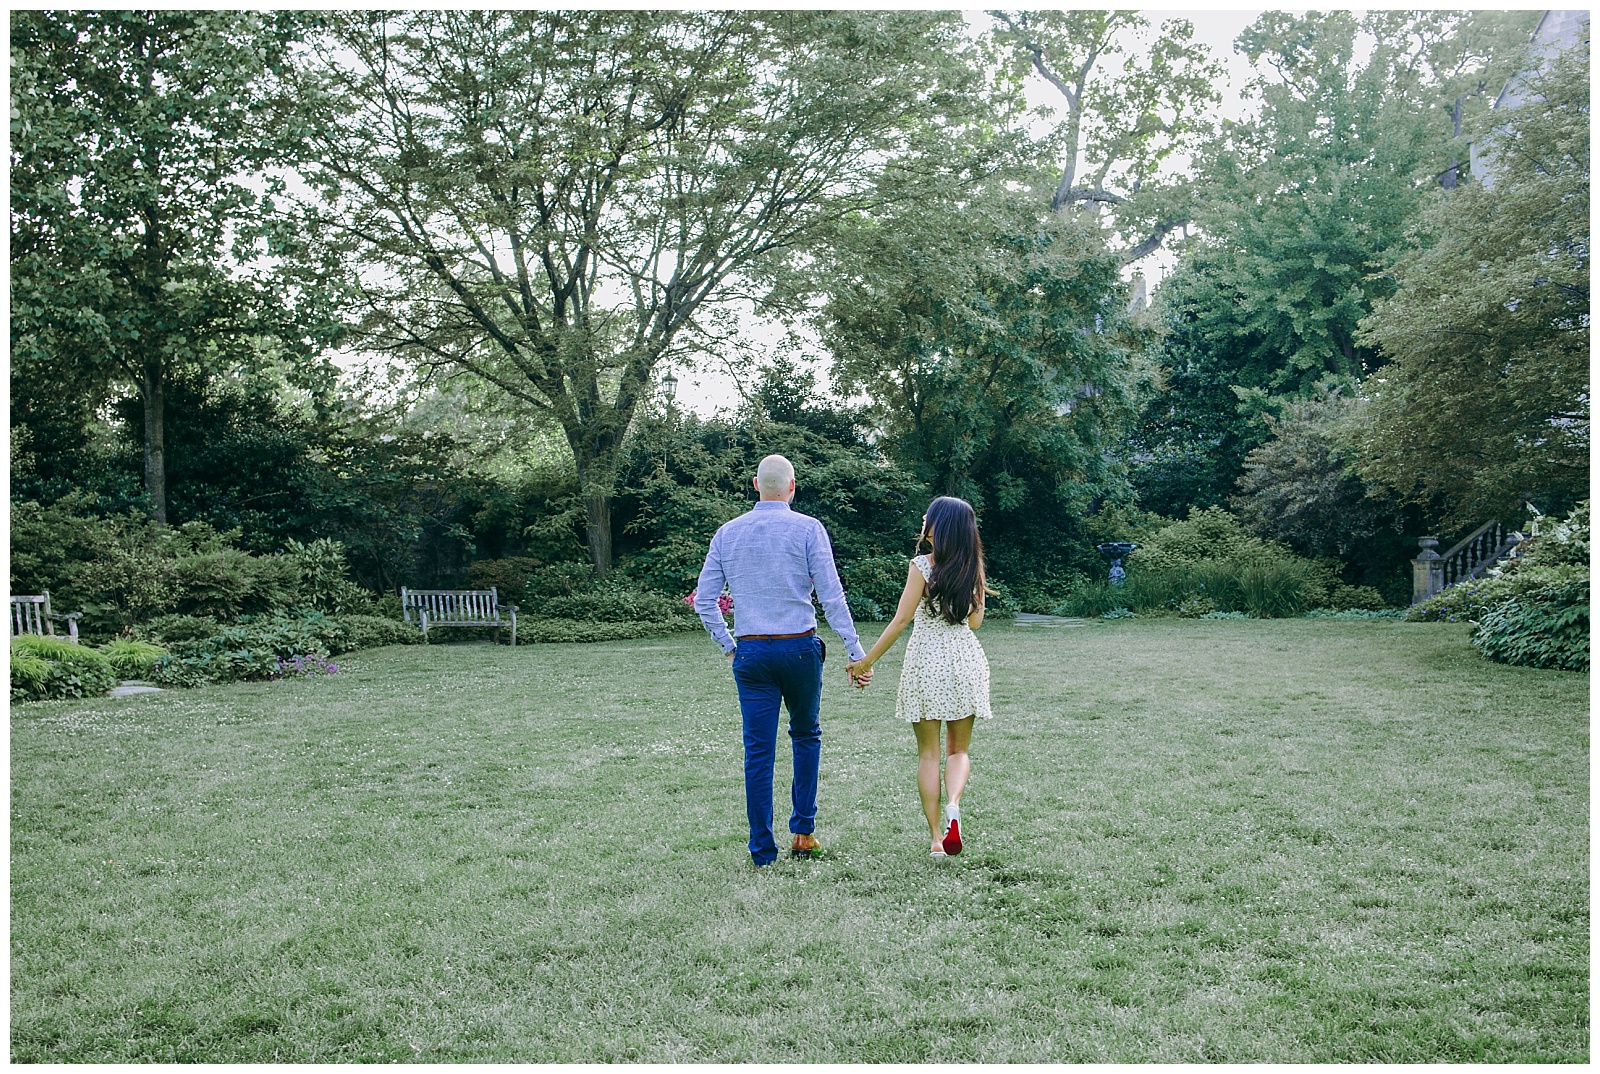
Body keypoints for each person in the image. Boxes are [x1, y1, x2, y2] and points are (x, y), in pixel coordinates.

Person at [694, 454, 872, 869]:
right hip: (798, 648)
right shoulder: (809, 528)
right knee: (806, 735)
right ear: (792, 487)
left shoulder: (727, 533)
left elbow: (705, 601)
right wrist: (855, 651)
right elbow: (831, 596)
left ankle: (761, 851)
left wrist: (730, 646)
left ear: (756, 485)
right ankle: (803, 833)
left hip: (752, 651)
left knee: (758, 752)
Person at [848, 496, 992, 858]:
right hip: (964, 661)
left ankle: (934, 840)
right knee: (958, 750)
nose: (923, 522)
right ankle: (954, 807)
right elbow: (974, 622)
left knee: (928, 755)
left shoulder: (921, 566)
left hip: (927, 661)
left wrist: (866, 662)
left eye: (927, 518)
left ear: (939, 527)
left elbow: (901, 620)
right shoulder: (972, 568)